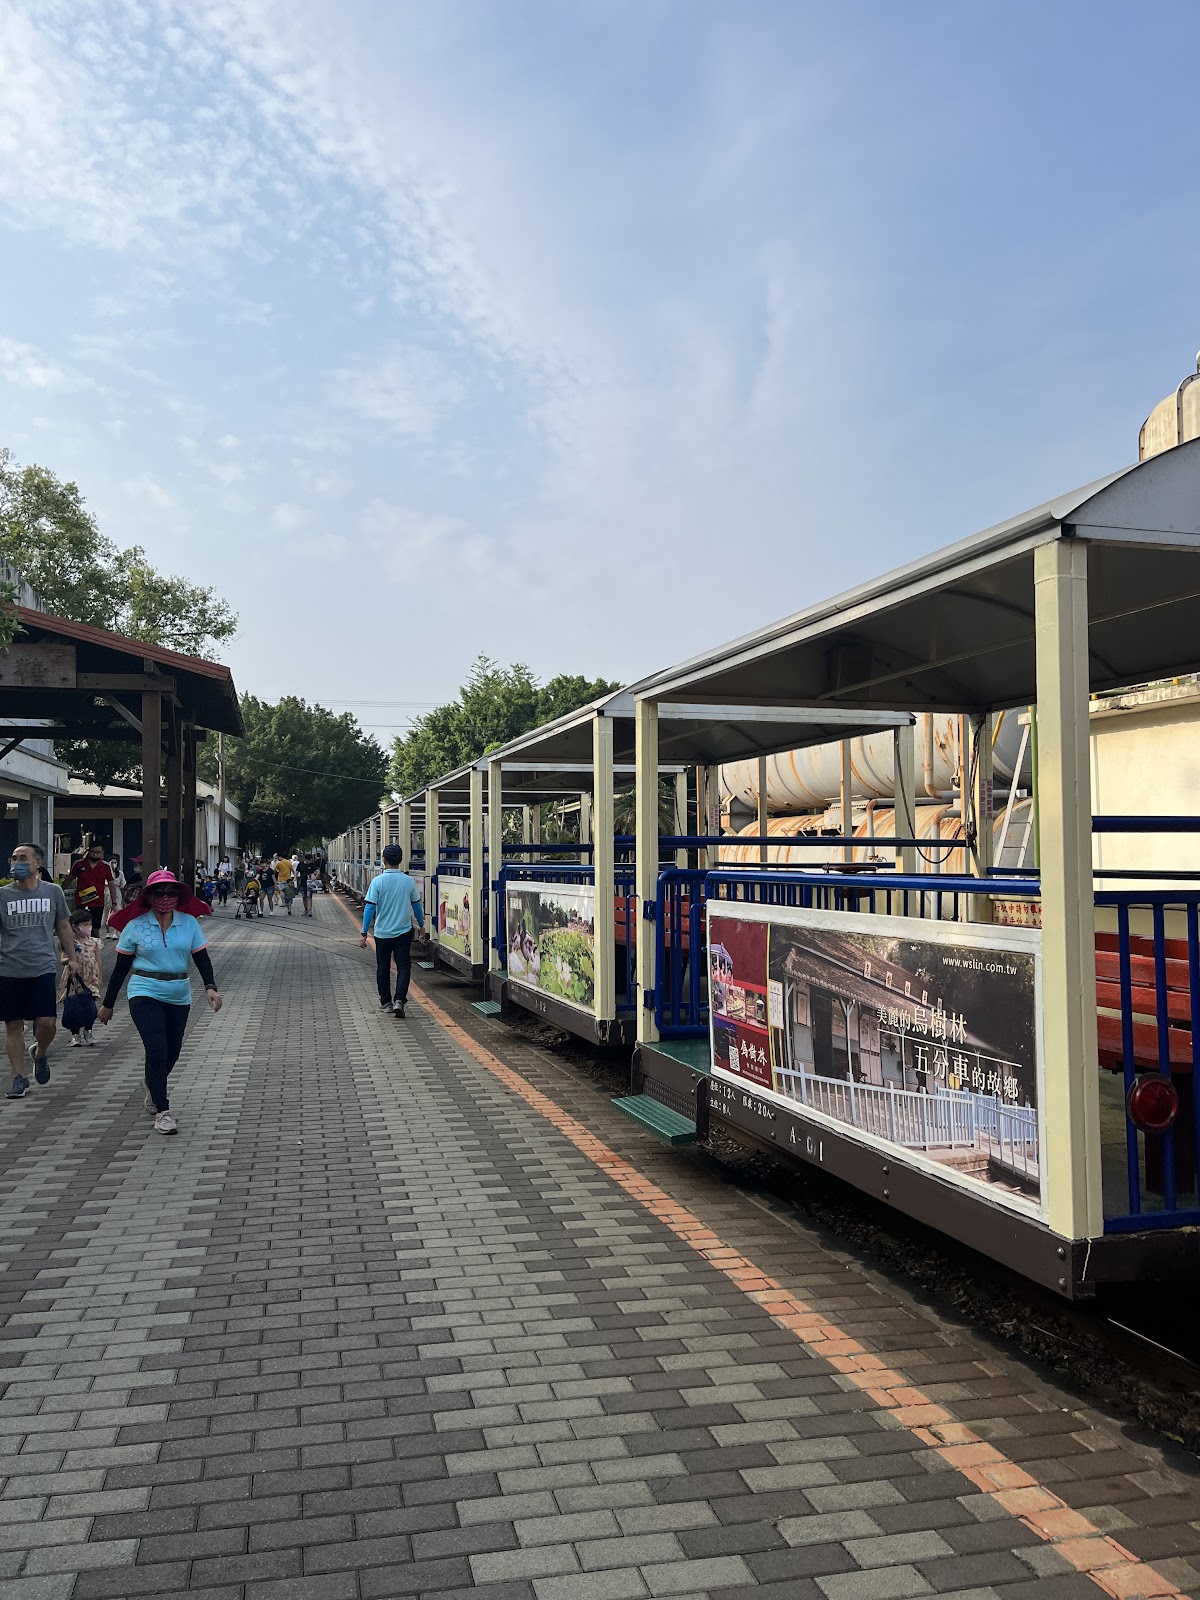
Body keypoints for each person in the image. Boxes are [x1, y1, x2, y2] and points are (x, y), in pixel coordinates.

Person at [99, 869, 221, 1136]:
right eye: (159, 892)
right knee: (156, 1049)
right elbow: (120, 969)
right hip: (144, 991)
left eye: (171, 892)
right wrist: (108, 1004)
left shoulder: (189, 924)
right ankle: (163, 1111)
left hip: (178, 993)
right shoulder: (136, 926)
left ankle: (152, 1082)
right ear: (149, 896)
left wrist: (210, 988)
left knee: (172, 1051)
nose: (165, 897)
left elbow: (202, 959)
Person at [2, 842, 77, 1098]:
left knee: (47, 1022)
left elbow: (63, 926)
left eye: (23, 858)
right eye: (14, 858)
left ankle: (40, 1053)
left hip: (43, 967)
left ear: (38, 863)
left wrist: (72, 957)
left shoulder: (52, 892)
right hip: (9, 969)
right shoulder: (3, 896)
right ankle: (18, 1077)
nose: (17, 863)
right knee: (13, 1024)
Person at [360, 844, 424, 1018]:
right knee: (404, 966)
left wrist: (364, 932)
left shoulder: (378, 881)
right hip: (403, 931)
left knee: (383, 967)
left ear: (384, 860)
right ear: (400, 860)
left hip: (382, 933)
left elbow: (369, 908)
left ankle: (386, 1002)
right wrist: (421, 925)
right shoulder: (408, 881)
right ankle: (400, 1000)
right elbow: (416, 906)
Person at [60, 906, 102, 1046]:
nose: (88, 928)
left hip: (91, 978)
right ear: (75, 926)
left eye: (89, 924)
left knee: (90, 1005)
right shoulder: (69, 943)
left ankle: (88, 1031)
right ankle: (75, 1034)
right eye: (85, 925)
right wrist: (72, 959)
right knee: (74, 1006)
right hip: (74, 978)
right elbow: (62, 960)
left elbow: (98, 960)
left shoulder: (94, 942)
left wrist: (99, 977)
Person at [67, 841, 115, 936]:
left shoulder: (105, 866)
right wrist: (60, 890)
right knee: (78, 928)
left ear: (102, 853)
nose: (95, 854)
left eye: (98, 852)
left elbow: (111, 884)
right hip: (81, 901)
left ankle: (95, 945)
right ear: (88, 851)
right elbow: (69, 878)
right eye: (92, 851)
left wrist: (114, 902)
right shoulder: (79, 864)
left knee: (95, 929)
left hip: (98, 902)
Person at [103, 856, 126, 940]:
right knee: (106, 912)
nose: (113, 864)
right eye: (111, 862)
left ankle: (116, 932)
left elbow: (122, 886)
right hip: (106, 893)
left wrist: (124, 897)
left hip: (117, 893)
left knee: (117, 912)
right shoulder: (104, 872)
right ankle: (108, 932)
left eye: (115, 862)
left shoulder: (120, 873)